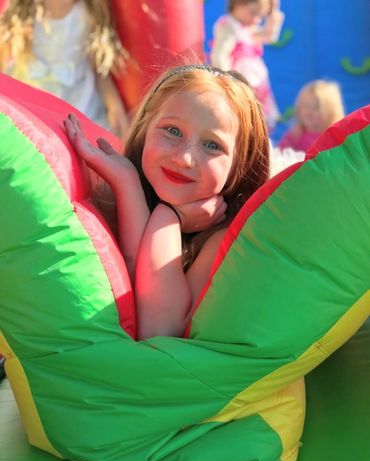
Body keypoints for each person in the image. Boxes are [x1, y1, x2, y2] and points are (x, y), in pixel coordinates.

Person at [64, 64, 270, 340]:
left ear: (240, 166)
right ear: (145, 128)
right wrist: (128, 187)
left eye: (212, 145)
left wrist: (169, 216)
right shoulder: (109, 196)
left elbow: (158, 329)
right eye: (172, 131)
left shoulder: (226, 240)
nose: (184, 158)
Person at [0, 0, 129, 138]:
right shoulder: (25, 11)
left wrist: (115, 107)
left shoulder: (86, 15)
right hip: (30, 91)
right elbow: (3, 53)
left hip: (74, 99)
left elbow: (99, 70)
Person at [210, 0, 284, 130]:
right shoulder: (229, 26)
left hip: (256, 81)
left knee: (259, 116)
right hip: (239, 79)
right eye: (253, 13)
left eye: (260, 16)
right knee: (241, 113)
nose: (256, 20)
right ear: (238, 4)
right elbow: (220, 55)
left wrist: (273, 14)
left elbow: (269, 36)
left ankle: (259, 138)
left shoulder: (249, 28)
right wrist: (226, 78)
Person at [279, 80, 345, 153]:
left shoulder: (336, 137)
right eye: (305, 106)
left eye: (316, 107)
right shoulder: (294, 135)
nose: (309, 112)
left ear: (331, 111)